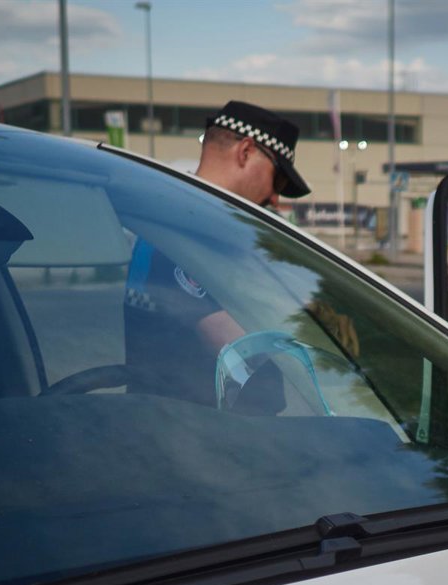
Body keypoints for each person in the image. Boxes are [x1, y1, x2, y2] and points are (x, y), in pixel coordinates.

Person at [122, 101, 311, 409]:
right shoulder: (186, 228)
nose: (274, 198)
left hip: (185, 423)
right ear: (245, 151)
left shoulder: (182, 218)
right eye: (276, 180)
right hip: (190, 428)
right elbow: (237, 348)